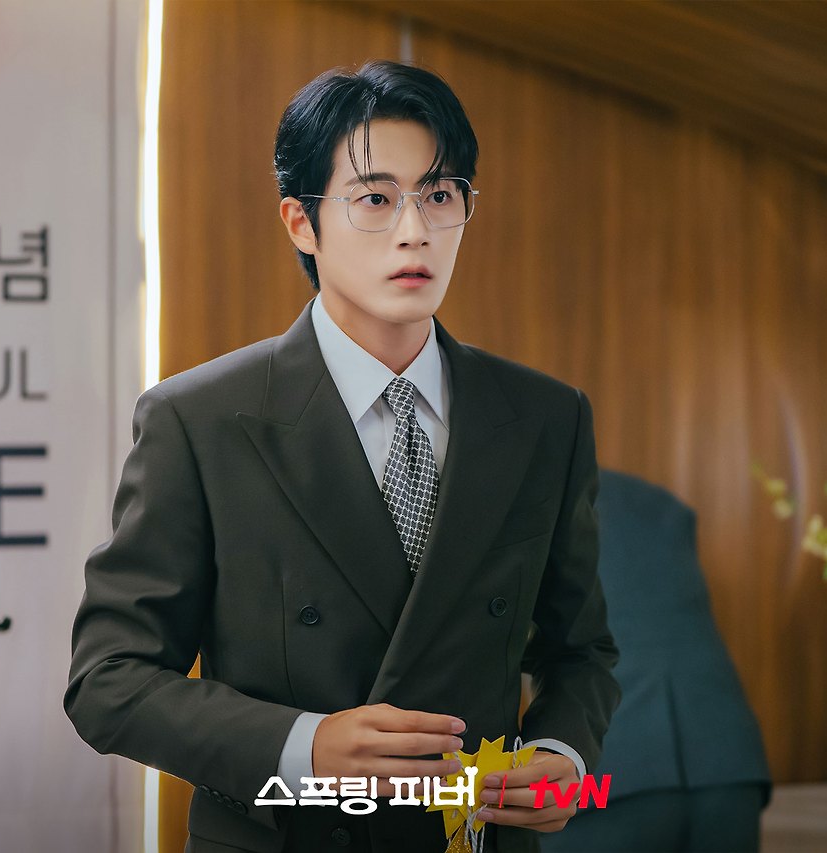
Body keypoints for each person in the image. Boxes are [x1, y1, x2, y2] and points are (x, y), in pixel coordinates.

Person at [64, 60, 620, 853]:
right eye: (375, 198)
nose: (415, 229)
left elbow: (580, 649)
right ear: (301, 222)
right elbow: (108, 680)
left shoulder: (544, 417)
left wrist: (563, 753)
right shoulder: (200, 419)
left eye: (439, 194)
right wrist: (305, 748)